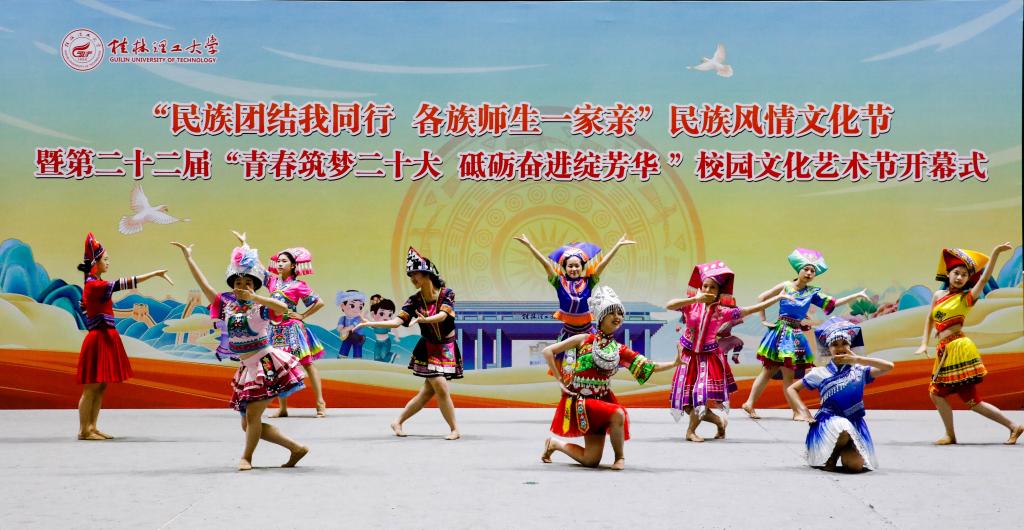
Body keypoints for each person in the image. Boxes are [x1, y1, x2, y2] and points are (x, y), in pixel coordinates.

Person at [172, 232, 309, 470]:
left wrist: (256, 297)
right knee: (247, 424)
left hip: (266, 365)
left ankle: (247, 458)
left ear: (254, 287)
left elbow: (282, 307)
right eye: (238, 284)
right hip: (247, 367)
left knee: (253, 418)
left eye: (247, 284)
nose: (242, 287)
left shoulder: (260, 308)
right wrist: (189, 258)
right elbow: (204, 285)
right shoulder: (227, 306)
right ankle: (296, 448)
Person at [541, 286, 682, 470]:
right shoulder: (583, 339)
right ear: (601, 317)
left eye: (620, 313)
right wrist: (560, 380)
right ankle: (619, 457)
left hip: (601, 400)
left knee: (591, 460)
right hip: (582, 401)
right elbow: (548, 351)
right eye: (612, 313)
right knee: (618, 413)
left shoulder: (618, 350)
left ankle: (554, 444)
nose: (617, 317)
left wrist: (674, 363)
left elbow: (647, 366)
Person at [666, 261, 792, 441]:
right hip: (687, 357)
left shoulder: (722, 311)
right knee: (687, 405)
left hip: (708, 359)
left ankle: (690, 432)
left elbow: (751, 309)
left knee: (699, 398)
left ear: (718, 292)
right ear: (700, 287)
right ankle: (720, 422)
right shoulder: (690, 305)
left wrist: (778, 298)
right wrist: (694, 299)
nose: (708, 290)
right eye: (705, 286)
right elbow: (669, 305)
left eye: (712, 287)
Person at [914, 244, 1023, 445]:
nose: (959, 277)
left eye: (964, 275)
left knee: (954, 396)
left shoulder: (967, 298)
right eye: (956, 273)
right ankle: (1010, 426)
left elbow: (984, 279)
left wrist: (995, 253)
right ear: (948, 274)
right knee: (951, 397)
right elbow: (930, 319)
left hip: (958, 349)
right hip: (945, 350)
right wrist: (923, 343)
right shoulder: (938, 296)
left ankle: (1008, 426)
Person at [742, 248, 867, 420]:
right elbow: (761, 298)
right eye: (806, 269)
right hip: (781, 333)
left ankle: (754, 404)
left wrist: (856, 295)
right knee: (773, 372)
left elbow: (834, 302)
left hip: (794, 334)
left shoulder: (812, 292)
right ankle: (791, 411)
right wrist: (763, 319)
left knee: (781, 374)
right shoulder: (786, 285)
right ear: (798, 270)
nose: (809, 273)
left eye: (812, 271)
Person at [354, 247, 462, 439]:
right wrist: (371, 323)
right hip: (428, 348)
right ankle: (454, 429)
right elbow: (397, 321)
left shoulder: (447, 293)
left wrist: (425, 320)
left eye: (415, 274)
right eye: (410, 275)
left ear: (427, 273)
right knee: (441, 386)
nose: (412, 278)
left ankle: (397, 421)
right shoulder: (414, 301)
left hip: (446, 346)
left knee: (427, 392)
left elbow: (443, 315)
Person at [75, 232, 172, 440]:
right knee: (91, 386)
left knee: (101, 385)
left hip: (105, 336)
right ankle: (84, 430)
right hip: (98, 338)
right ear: (96, 262)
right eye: (105, 259)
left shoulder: (95, 284)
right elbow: (127, 282)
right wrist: (154, 273)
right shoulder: (95, 286)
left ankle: (92, 426)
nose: (108, 262)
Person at [787, 318, 893, 472]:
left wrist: (858, 359)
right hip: (828, 423)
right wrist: (804, 412)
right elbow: (792, 389)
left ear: (850, 346)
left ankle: (845, 450)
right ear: (828, 348)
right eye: (835, 344)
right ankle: (830, 457)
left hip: (854, 423)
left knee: (855, 466)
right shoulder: (820, 372)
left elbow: (889, 366)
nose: (840, 348)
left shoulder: (859, 371)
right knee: (842, 426)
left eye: (844, 343)